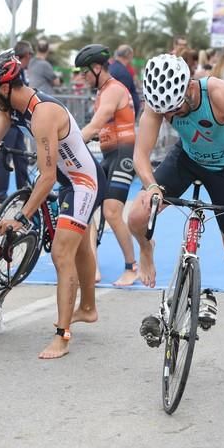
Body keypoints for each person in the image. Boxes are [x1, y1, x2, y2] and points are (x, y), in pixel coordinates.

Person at [0, 49, 105, 359]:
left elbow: (47, 176)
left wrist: (21, 217)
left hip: (84, 182)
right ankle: (88, 308)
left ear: (5, 87)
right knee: (79, 248)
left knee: (62, 252)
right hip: (69, 181)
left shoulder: (42, 113)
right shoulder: (9, 108)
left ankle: (62, 336)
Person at [128, 54, 224, 345]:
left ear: (189, 87)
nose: (172, 116)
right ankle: (146, 250)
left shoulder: (220, 95)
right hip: (186, 160)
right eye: (166, 112)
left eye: (176, 108)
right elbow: (140, 155)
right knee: (137, 216)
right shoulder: (158, 102)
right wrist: (152, 186)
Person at [75, 44, 138, 286]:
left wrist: (69, 142)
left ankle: (131, 267)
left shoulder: (112, 90)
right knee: (87, 207)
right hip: (108, 154)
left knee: (111, 211)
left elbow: (96, 123)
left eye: (85, 71)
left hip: (124, 153)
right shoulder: (102, 91)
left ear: (98, 67)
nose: (82, 77)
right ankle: (92, 267)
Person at [0, 40, 34, 206]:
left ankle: (23, 190)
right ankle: (0, 194)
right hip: (8, 121)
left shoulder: (22, 72)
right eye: (29, 56)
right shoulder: (11, 72)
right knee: (5, 156)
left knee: (21, 155)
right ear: (25, 56)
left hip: (18, 122)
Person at [109, 44, 141, 120]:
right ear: (129, 55)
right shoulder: (123, 72)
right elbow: (123, 96)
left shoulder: (111, 68)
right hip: (122, 117)